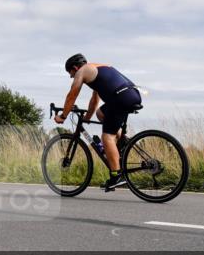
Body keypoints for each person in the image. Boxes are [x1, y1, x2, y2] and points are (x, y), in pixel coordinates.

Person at [55, 53, 142, 190]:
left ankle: (116, 176)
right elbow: (95, 100)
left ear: (75, 67)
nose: (71, 76)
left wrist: (63, 116)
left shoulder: (82, 71)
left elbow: (72, 95)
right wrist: (88, 118)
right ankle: (122, 141)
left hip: (120, 98)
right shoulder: (98, 69)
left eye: (70, 73)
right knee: (101, 114)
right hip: (132, 94)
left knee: (106, 136)